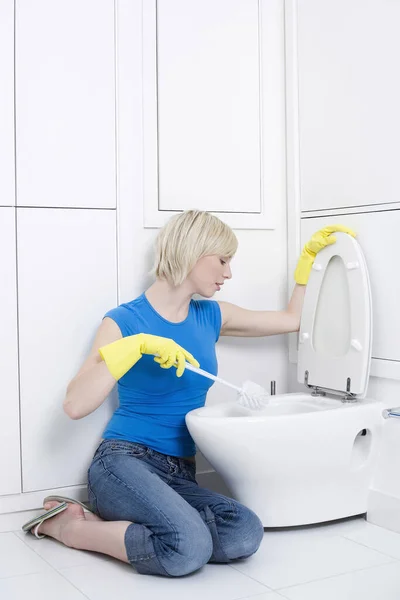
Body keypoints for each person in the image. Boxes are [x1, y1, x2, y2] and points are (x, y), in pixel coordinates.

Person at [22, 210, 355, 577]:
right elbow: (74, 405)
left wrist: (307, 268)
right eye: (223, 260)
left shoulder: (211, 316)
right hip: (123, 462)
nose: (228, 273)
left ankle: (147, 526)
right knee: (187, 550)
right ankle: (70, 527)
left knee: (245, 532)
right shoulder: (123, 320)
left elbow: (291, 321)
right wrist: (134, 347)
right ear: (194, 253)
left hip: (179, 471)